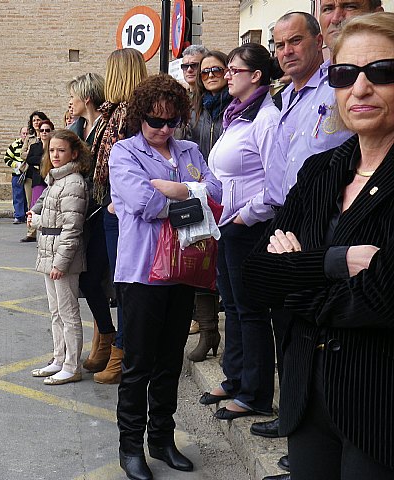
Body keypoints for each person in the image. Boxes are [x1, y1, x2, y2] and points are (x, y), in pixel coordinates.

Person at [243, 13, 394, 479]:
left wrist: (296, 271)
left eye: (382, 73)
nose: (360, 89)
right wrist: (334, 262)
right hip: (308, 396)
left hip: (380, 408)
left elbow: (383, 298)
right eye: (345, 75)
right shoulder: (321, 170)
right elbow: (255, 278)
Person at [110, 73, 222, 480]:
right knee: (138, 364)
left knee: (169, 362)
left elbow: (216, 194)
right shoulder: (124, 152)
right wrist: (191, 191)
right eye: (155, 121)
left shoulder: (190, 148)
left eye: (171, 121)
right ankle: (130, 448)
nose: (163, 129)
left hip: (184, 269)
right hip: (141, 272)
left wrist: (173, 188)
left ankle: (161, 438)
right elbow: (142, 202)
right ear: (141, 117)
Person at [199, 43, 281, 422]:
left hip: (250, 227)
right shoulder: (238, 115)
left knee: (250, 311)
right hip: (229, 225)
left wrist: (247, 216)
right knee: (231, 305)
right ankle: (235, 378)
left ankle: (255, 394)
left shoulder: (265, 118)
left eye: (234, 69)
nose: (226, 75)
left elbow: (277, 183)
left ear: (257, 76)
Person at [91, 47, 148, 385]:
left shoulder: (126, 112)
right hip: (111, 203)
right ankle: (113, 344)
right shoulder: (116, 112)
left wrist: (116, 201)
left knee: (124, 282)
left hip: (119, 206)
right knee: (115, 280)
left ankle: (123, 352)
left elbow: (129, 162)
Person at [28, 129, 90, 385]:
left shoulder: (73, 182)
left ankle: (72, 365)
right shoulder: (57, 179)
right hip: (48, 249)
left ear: (73, 153)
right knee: (55, 312)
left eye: (61, 150)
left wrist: (61, 262)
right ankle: (58, 358)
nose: (55, 155)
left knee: (68, 313)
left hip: (61, 255)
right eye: (52, 150)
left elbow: (72, 226)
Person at [67, 72, 117, 372]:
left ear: (87, 98)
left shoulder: (105, 127)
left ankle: (109, 337)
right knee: (87, 280)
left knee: (95, 278)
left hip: (100, 211)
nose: (69, 103)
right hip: (79, 210)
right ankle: (105, 334)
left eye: (73, 96)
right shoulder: (76, 128)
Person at [186, 50, 233, 360]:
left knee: (228, 269)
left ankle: (234, 343)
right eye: (204, 72)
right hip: (204, 194)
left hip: (233, 196)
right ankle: (208, 332)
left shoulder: (237, 105)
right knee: (200, 265)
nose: (211, 75)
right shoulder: (194, 109)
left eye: (217, 69)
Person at [19, 111, 49, 242]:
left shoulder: (49, 137)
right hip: (30, 173)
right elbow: (24, 154)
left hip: (45, 174)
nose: (36, 122)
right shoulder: (30, 138)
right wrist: (39, 158)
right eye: (34, 120)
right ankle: (31, 232)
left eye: (38, 120)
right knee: (32, 202)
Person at [4, 126, 28, 224]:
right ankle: (18, 216)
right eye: (23, 133)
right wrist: (16, 165)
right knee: (18, 196)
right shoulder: (14, 145)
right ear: (20, 134)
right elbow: (6, 158)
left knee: (28, 196)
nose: (25, 135)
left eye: (27, 133)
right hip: (17, 174)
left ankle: (27, 215)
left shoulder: (32, 144)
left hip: (29, 175)